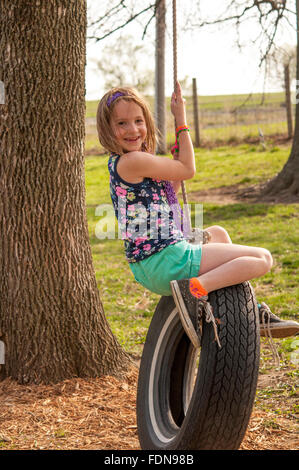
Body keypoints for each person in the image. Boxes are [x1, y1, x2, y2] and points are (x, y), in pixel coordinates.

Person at [97, 83, 299, 348]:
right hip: (167, 258)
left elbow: (171, 191)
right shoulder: (132, 161)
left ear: (146, 121)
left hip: (150, 264)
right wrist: (181, 122)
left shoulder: (124, 163)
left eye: (138, 121)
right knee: (263, 258)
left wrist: (177, 166)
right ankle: (195, 290)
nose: (133, 130)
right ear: (107, 129)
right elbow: (188, 169)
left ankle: (244, 307)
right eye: (122, 123)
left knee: (217, 234)